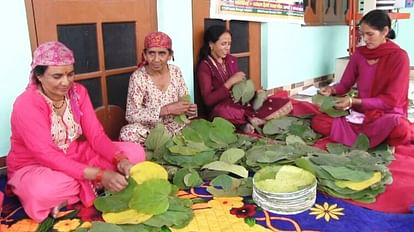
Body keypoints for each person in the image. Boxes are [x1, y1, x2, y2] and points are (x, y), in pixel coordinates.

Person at [6, 41, 146, 222]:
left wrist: (121, 160)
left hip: (74, 154)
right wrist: (99, 174)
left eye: (70, 74)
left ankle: (75, 193)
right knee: (43, 191)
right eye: (57, 76)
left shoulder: (78, 92)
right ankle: (92, 186)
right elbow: (45, 154)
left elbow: (96, 135)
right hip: (35, 165)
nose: (65, 82)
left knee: (135, 153)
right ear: (39, 76)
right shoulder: (26, 104)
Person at [311, 9, 411, 148]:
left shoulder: (399, 57)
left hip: (387, 115)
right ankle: (373, 138)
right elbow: (345, 84)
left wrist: (353, 101)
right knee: (319, 121)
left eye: (370, 34)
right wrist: (331, 89)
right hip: (362, 113)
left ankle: (365, 137)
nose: (365, 39)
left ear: (385, 31)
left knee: (401, 129)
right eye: (362, 34)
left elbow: (391, 101)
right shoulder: (359, 54)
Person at [196, 25, 292, 133]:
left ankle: (247, 121)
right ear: (211, 44)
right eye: (223, 44)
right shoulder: (205, 67)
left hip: (239, 104)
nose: (227, 48)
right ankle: (250, 120)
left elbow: (239, 88)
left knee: (282, 102)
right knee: (222, 112)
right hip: (221, 108)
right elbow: (208, 100)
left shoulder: (231, 60)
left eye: (229, 44)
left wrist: (252, 94)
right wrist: (230, 82)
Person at [119, 32, 197, 144]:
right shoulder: (138, 77)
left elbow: (184, 102)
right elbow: (131, 115)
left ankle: (166, 144)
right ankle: (163, 144)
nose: (156, 59)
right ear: (144, 55)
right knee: (127, 133)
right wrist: (165, 110)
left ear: (170, 55)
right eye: (151, 53)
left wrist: (189, 110)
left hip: (174, 127)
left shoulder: (175, 71)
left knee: (194, 129)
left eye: (162, 53)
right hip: (150, 130)